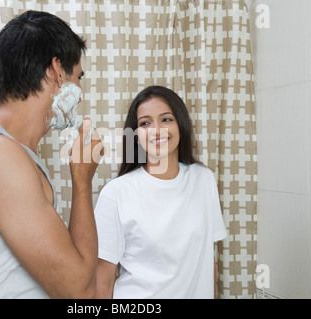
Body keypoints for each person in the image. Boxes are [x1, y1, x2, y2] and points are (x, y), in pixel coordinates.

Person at [0, 11, 104, 299]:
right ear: (56, 71)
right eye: (77, 78)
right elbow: (80, 292)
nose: (79, 91)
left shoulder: (8, 151)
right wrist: (82, 179)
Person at [94, 86, 228, 299]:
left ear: (181, 125)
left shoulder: (203, 180)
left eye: (166, 119)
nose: (157, 130)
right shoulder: (117, 193)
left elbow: (207, 260)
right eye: (145, 123)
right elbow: (103, 278)